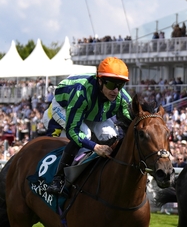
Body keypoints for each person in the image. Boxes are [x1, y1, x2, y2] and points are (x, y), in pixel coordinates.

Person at [45, 56, 132, 195]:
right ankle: (58, 179)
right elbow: (72, 131)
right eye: (111, 85)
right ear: (100, 80)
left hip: (91, 111)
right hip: (64, 106)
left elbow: (135, 120)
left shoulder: (122, 97)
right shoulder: (81, 93)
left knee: (111, 135)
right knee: (83, 133)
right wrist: (95, 147)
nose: (115, 90)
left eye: (120, 85)